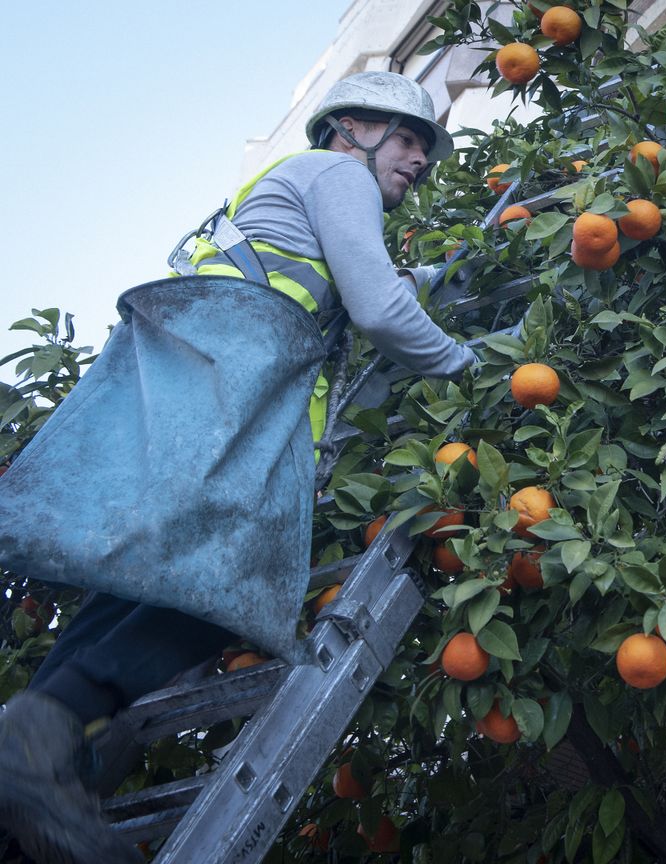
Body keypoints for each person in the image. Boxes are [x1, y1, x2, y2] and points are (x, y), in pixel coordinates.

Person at [0, 71, 476, 863]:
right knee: (233, 593)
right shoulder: (338, 177)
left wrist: (430, 279)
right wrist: (468, 363)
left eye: (423, 148)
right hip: (231, 392)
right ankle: (45, 740)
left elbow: (368, 283)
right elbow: (379, 309)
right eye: (405, 138)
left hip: (194, 384)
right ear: (349, 129)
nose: (419, 159)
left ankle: (29, 771)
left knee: (138, 584)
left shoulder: (296, 190)